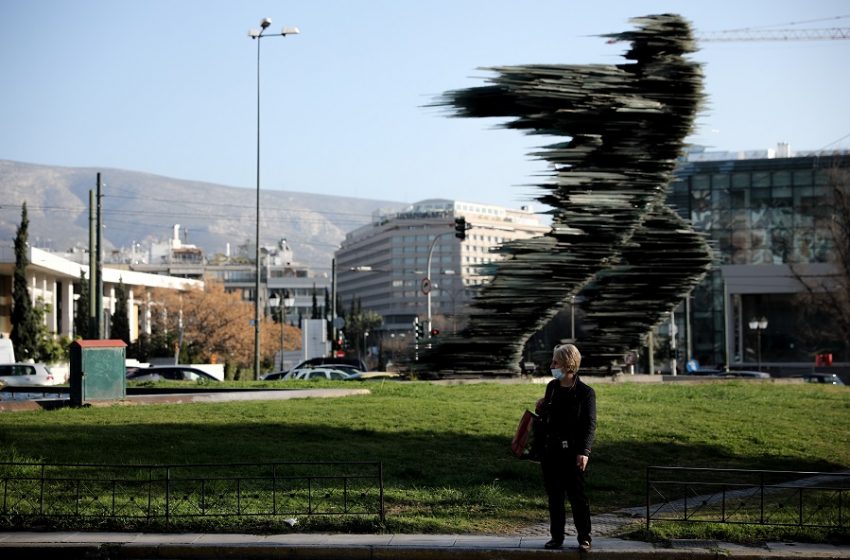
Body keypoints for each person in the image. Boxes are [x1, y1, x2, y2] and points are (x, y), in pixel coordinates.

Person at [535, 343, 596, 552]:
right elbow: (547, 419)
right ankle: (557, 537)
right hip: (551, 451)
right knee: (555, 497)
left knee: (577, 496)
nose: (552, 366)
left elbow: (590, 424)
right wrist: (541, 407)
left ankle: (584, 538)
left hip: (574, 452)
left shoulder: (585, 393)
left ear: (568, 365)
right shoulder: (552, 387)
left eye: (555, 362)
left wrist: (584, 451)